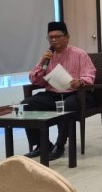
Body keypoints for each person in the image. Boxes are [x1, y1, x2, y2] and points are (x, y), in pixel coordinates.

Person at [24, 21, 96, 161]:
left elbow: (90, 75)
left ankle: (60, 145)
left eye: (57, 36)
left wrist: (80, 82)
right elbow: (35, 80)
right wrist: (42, 63)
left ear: (67, 37)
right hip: (53, 93)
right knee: (26, 105)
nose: (53, 40)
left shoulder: (79, 54)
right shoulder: (48, 57)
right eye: (50, 37)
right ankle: (42, 144)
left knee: (67, 106)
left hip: (75, 93)